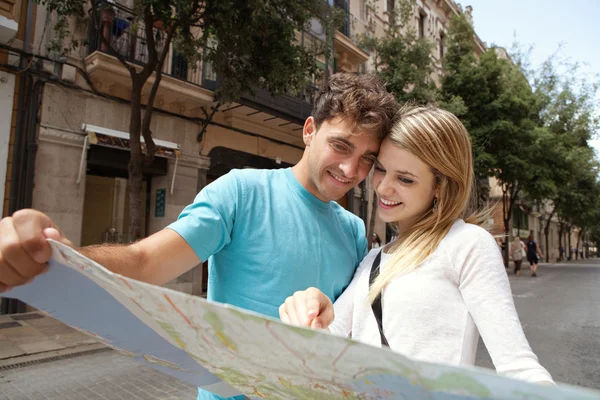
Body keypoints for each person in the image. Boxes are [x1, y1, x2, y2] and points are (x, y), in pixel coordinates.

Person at [0, 73, 398, 400]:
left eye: (367, 158)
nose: (351, 169)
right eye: (341, 145)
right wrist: (62, 260)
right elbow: (145, 262)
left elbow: (345, 328)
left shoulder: (353, 229)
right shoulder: (241, 191)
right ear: (310, 131)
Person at [279, 106, 554, 385]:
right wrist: (311, 311)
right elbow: (332, 337)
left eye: (405, 179)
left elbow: (518, 367)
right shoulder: (373, 258)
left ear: (440, 185)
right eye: (382, 169)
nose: (384, 187)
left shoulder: (467, 243)